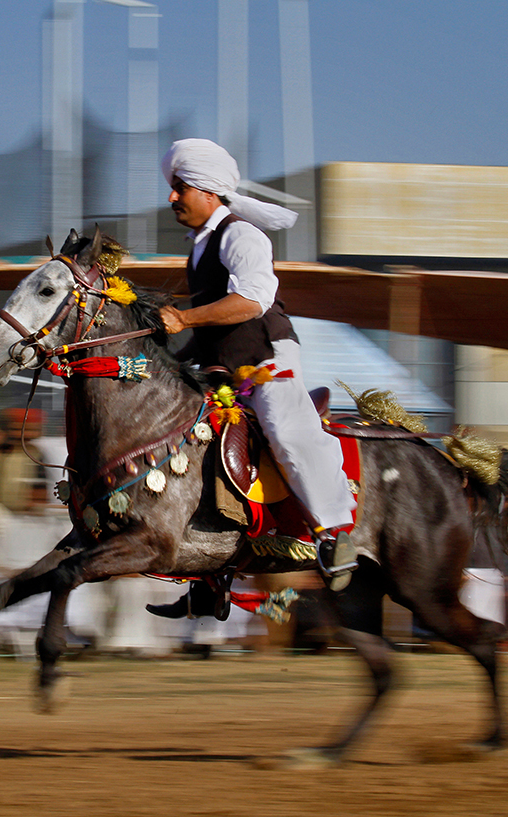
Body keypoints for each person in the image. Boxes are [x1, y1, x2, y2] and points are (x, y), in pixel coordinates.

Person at [153, 138, 357, 601]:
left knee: (287, 431)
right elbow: (209, 330)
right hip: (224, 366)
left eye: (179, 187)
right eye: (172, 187)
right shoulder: (201, 247)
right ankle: (211, 571)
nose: (171, 198)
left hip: (266, 358)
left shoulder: (242, 236)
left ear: (208, 191)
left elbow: (251, 301)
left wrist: (183, 318)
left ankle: (336, 535)